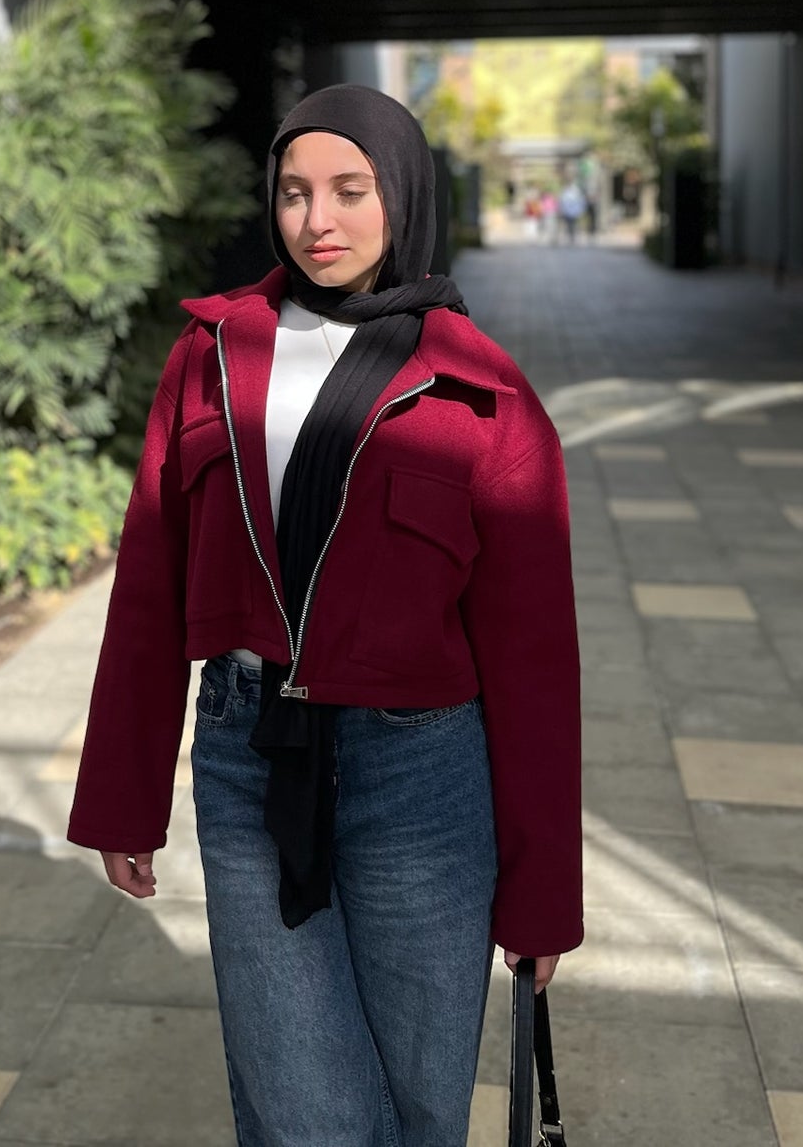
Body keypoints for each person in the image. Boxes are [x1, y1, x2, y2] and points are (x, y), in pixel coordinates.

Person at [67, 85, 583, 1147]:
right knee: (306, 1109)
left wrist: (543, 895)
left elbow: (534, 662)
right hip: (251, 755)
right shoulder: (209, 353)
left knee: (423, 1106)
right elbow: (149, 585)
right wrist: (122, 794)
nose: (318, 220)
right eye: (295, 192)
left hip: (425, 776)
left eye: (350, 190)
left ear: (399, 197)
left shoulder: (481, 389)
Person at [559, 178, 586, 243]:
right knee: (569, 225)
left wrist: (580, 209)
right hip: (568, 211)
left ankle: (573, 236)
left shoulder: (576, 191)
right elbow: (563, 202)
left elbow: (580, 201)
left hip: (574, 212)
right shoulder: (566, 192)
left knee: (573, 225)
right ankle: (570, 236)